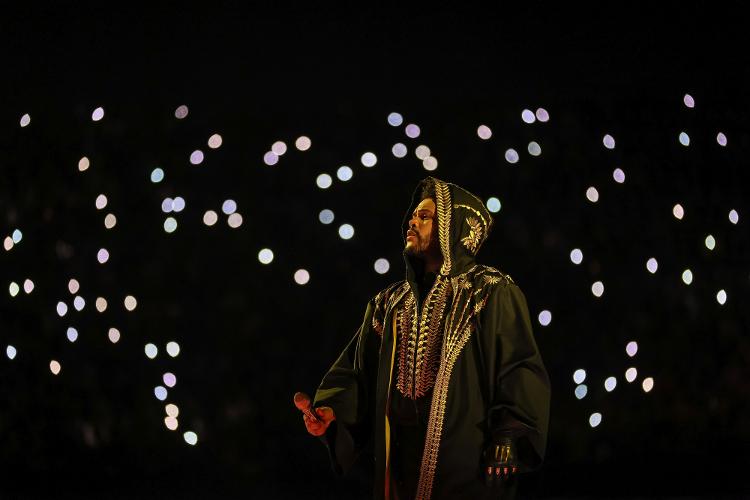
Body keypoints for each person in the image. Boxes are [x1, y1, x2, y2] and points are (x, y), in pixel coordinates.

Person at [300, 177, 550, 500]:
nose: (412, 221)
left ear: (453, 228)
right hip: (399, 468)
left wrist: (510, 435)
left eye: (425, 216)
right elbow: (357, 373)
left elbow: (519, 365)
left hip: (465, 467)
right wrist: (331, 414)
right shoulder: (389, 303)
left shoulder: (490, 291)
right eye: (413, 215)